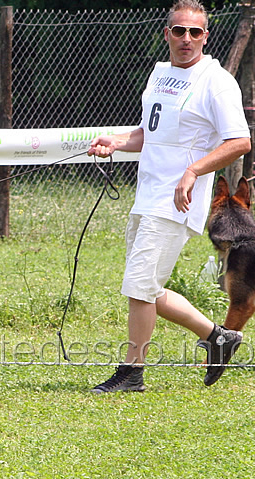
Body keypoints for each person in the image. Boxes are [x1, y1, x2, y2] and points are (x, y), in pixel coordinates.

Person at [87, 0, 252, 393]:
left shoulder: (216, 80)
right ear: (167, 34)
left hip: (177, 200)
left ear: (205, 37)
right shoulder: (160, 74)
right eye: (179, 30)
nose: (187, 39)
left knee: (139, 285)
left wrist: (193, 171)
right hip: (148, 193)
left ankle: (132, 373)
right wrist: (117, 141)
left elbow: (240, 141)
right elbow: (149, 133)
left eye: (195, 32)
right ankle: (218, 335)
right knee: (144, 287)